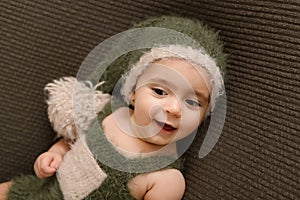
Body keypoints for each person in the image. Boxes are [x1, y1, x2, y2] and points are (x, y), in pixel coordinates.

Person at [0, 15, 226, 200]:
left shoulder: (166, 178)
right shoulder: (110, 113)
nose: (174, 108)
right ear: (133, 93)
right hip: (42, 193)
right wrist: (55, 154)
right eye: (159, 91)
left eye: (192, 102)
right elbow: (74, 142)